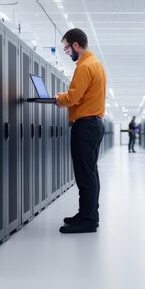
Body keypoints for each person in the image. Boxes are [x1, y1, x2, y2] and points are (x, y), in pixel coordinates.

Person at [55, 28, 106, 234]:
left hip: (85, 126)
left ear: (76, 45)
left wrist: (59, 98)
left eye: (67, 49)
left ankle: (88, 219)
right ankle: (87, 213)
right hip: (93, 124)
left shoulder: (85, 66)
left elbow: (74, 97)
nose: (68, 53)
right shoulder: (96, 64)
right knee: (90, 173)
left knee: (85, 175)